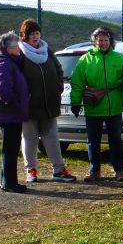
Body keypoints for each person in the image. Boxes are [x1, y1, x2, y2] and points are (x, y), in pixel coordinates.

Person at [17, 19, 77, 183]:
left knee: (51, 137)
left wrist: (57, 86)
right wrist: (25, 96)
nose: (35, 37)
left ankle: (59, 170)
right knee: (30, 138)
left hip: (49, 102)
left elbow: (58, 68)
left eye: (37, 33)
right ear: (24, 36)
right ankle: (31, 170)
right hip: (29, 105)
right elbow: (16, 77)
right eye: (31, 34)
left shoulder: (46, 49)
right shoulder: (20, 53)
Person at [69, 26, 123, 182]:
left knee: (116, 140)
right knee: (93, 141)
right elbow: (77, 83)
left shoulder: (120, 59)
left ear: (110, 41)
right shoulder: (85, 60)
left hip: (114, 107)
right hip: (93, 108)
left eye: (105, 39)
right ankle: (94, 171)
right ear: (94, 42)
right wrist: (75, 103)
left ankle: (120, 171)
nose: (103, 43)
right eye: (100, 40)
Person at [0, 31, 29, 193]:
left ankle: (6, 181)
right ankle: (9, 183)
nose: (19, 48)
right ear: (8, 48)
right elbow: (3, 90)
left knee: (10, 148)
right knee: (10, 149)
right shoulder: (5, 64)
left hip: (11, 113)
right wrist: (17, 104)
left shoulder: (11, 62)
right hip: (9, 114)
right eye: (16, 45)